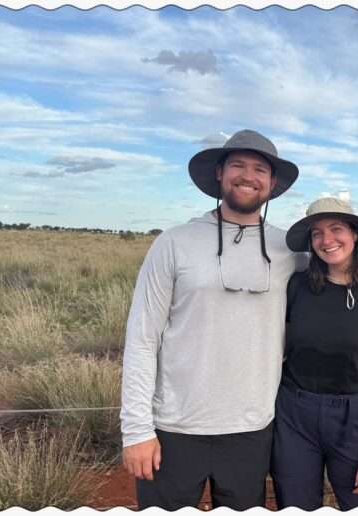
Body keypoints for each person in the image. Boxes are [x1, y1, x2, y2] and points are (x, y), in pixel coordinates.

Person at [119, 129, 305, 510]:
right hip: (174, 428)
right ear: (219, 174)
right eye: (237, 165)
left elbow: (338, 288)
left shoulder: (291, 251)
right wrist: (136, 429)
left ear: (272, 183)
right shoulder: (174, 242)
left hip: (252, 429)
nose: (248, 176)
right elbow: (142, 337)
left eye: (259, 169)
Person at [271, 197, 358, 510]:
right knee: (295, 505)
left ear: (355, 233)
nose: (326, 240)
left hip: (355, 418)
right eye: (316, 233)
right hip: (294, 413)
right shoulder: (296, 287)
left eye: (336, 229)